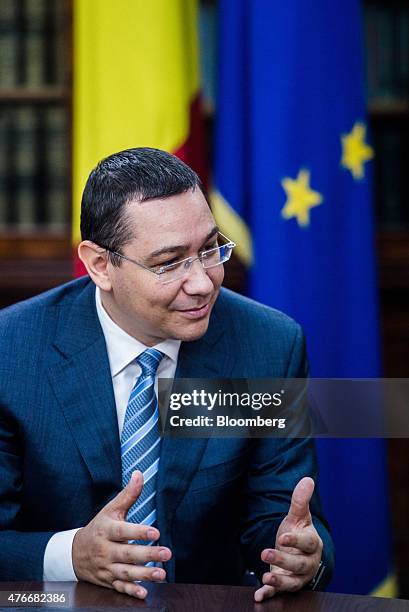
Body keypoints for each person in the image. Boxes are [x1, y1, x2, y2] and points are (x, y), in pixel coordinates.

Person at [0, 148, 334, 602]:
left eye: (210, 249)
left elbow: (283, 515)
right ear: (100, 265)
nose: (202, 282)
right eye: (169, 262)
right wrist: (72, 554)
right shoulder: (12, 350)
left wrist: (298, 558)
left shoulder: (268, 345)